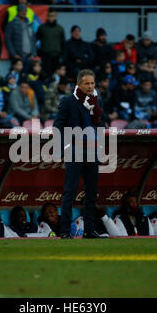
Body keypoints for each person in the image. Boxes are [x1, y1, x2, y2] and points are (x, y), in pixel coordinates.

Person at [53, 69, 104, 239]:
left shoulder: (97, 101)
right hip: (74, 150)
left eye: (92, 83)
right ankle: (65, 231)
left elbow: (100, 126)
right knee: (70, 192)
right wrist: (61, 150)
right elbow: (58, 126)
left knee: (91, 193)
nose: (90, 86)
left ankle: (89, 229)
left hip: (92, 151)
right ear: (78, 84)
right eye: (87, 83)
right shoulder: (68, 101)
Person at [5, 3, 37, 69]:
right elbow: (8, 40)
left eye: (25, 11)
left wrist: (33, 54)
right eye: (22, 11)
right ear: (18, 12)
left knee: (28, 76)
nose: (24, 12)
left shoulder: (29, 24)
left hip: (29, 56)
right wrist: (14, 54)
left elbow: (33, 39)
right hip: (18, 56)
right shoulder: (12, 24)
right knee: (17, 76)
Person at [36, 8, 65, 78]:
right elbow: (35, 40)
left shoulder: (60, 28)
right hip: (45, 56)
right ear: (47, 16)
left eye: (53, 16)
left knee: (56, 75)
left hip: (56, 56)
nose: (51, 18)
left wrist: (62, 56)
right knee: (46, 75)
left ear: (55, 16)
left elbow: (63, 43)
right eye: (49, 16)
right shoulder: (42, 28)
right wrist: (38, 53)